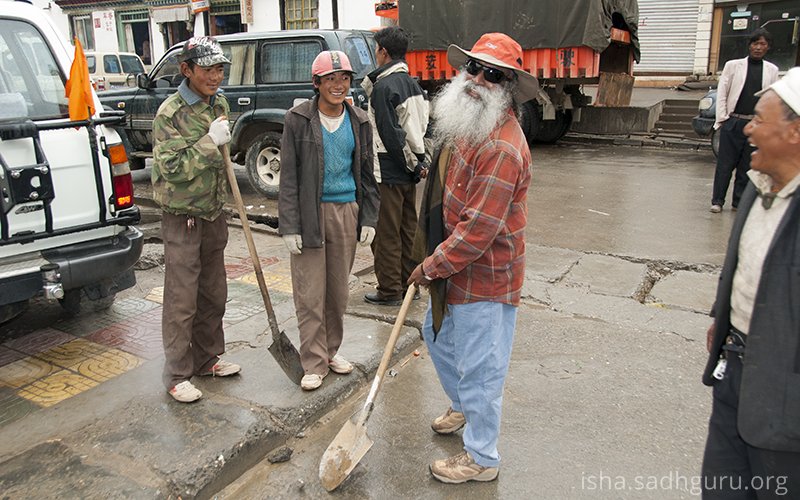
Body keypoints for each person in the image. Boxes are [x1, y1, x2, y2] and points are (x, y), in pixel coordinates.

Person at [408, 32, 538, 483]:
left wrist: (428, 266)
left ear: (507, 88)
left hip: (485, 275)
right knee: (437, 336)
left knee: (482, 369)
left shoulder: (502, 147)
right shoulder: (469, 126)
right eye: (474, 69)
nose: (478, 79)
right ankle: (463, 407)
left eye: (493, 75)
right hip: (454, 269)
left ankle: (482, 458)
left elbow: (478, 232)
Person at [701, 67, 800, 498]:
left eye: (760, 119)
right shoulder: (759, 188)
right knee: (722, 486)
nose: (749, 128)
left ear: (794, 132)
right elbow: (740, 266)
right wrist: (721, 319)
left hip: (785, 396)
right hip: (734, 367)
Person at [279, 51, 380, 391]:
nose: (339, 85)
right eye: (331, 79)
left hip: (346, 211)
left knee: (337, 291)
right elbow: (289, 177)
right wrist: (289, 225)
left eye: (344, 78)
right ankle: (313, 360)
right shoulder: (298, 119)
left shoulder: (360, 120)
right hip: (310, 213)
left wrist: (368, 217)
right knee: (309, 292)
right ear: (316, 84)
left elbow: (368, 173)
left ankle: (330, 350)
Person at [151, 36, 240, 403]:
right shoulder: (170, 113)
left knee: (214, 293)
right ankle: (177, 373)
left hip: (213, 212)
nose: (215, 76)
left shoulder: (219, 102)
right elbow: (170, 168)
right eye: (207, 69)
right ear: (186, 70)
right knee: (181, 299)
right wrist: (208, 142)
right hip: (182, 217)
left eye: (219, 69)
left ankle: (207, 359)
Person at [362, 26, 429, 306]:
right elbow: (421, 129)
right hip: (409, 169)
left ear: (383, 52)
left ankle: (390, 290)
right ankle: (408, 285)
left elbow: (391, 136)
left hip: (390, 170)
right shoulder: (412, 84)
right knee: (407, 229)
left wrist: (411, 164)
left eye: (376, 49)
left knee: (386, 233)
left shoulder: (384, 87)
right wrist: (419, 162)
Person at [710, 29, 778, 214]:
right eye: (755, 43)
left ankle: (738, 203)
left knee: (746, 166)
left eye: (762, 44)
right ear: (749, 45)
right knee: (725, 163)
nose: (758, 47)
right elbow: (723, 91)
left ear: (767, 47)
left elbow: (771, 97)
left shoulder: (772, 70)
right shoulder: (733, 66)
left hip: (755, 124)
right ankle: (717, 200)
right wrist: (723, 118)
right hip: (734, 120)